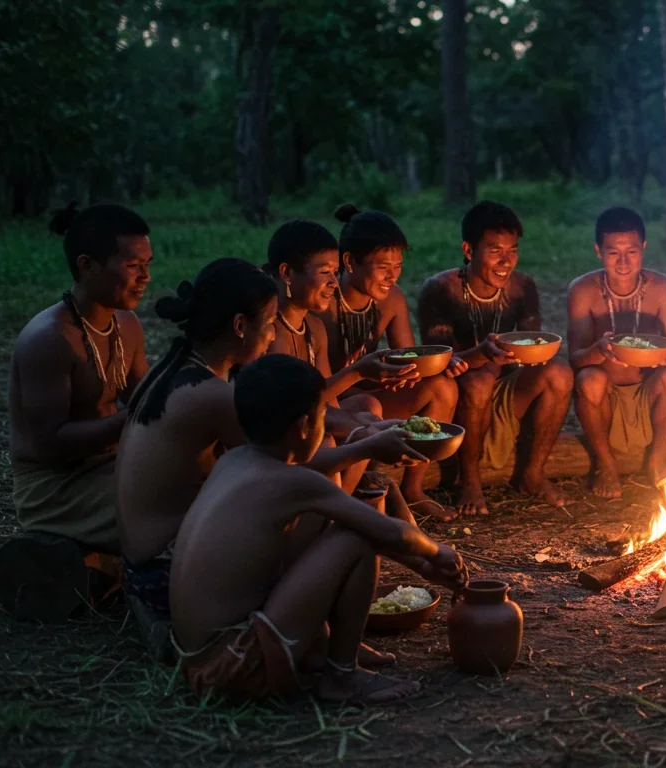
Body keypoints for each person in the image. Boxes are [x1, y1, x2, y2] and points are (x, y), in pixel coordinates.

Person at [116, 259, 423, 637]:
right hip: (164, 571)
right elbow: (289, 471)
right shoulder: (213, 396)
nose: (270, 335)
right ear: (241, 327)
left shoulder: (180, 367)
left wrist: (363, 429)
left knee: (314, 502)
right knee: (323, 516)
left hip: (142, 564)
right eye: (269, 323)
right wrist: (366, 445)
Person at [170, 354, 467, 705]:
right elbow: (392, 533)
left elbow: (317, 465)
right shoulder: (294, 484)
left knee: (321, 518)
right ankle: (341, 677)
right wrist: (437, 553)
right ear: (303, 427)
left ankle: (315, 650)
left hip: (195, 659)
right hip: (234, 666)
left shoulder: (236, 460)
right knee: (355, 539)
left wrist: (367, 446)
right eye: (324, 418)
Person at [0, 203, 152, 619]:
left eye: (148, 264)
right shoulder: (49, 339)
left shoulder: (127, 326)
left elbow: (147, 401)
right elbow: (49, 446)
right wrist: (129, 421)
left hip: (108, 467)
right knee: (171, 496)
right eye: (133, 265)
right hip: (54, 491)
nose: (146, 277)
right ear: (87, 266)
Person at [417, 201, 574, 516]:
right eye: (495, 251)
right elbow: (440, 361)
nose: (506, 262)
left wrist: (533, 356)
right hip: (460, 396)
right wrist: (481, 359)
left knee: (560, 373)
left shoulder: (521, 288)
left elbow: (530, 343)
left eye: (513, 251)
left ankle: (532, 474)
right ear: (468, 249)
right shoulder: (440, 290)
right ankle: (470, 482)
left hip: (505, 387)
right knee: (477, 382)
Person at [314, 204, 459, 516]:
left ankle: (413, 488)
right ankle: (353, 498)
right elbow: (320, 388)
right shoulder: (322, 304)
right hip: (330, 402)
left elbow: (408, 358)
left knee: (442, 387)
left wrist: (412, 372)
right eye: (382, 266)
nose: (392, 276)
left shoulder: (391, 300)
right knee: (370, 407)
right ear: (349, 261)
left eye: (398, 266)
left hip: (366, 395)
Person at [264, 219, 425, 494]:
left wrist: (373, 427)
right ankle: (332, 512)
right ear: (287, 273)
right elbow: (294, 408)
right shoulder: (270, 330)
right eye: (325, 273)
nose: (332, 283)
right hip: (273, 432)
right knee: (328, 437)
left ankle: (346, 499)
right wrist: (364, 431)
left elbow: (328, 400)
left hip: (308, 416)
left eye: (335, 272)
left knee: (368, 407)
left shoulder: (313, 328)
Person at [567, 207, 666, 497]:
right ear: (599, 251)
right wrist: (599, 351)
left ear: (644, 248)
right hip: (605, 394)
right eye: (613, 253)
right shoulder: (583, 290)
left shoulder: (662, 288)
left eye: (632, 252)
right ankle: (606, 465)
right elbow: (575, 360)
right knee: (589, 380)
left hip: (646, 391)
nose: (623, 262)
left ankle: (658, 461)